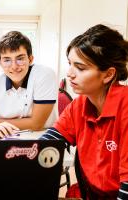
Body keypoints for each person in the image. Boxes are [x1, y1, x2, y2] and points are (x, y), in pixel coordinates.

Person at [40, 24, 128, 199]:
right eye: (70, 64)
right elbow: (49, 142)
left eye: (80, 68)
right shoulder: (79, 105)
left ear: (108, 75)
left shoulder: (125, 107)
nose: (70, 73)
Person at [0, 31, 57, 138]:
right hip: (9, 139)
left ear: (30, 59)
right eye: (7, 60)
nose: (14, 66)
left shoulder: (44, 75)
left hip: (43, 138)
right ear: (0, 62)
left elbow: (36, 124)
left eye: (20, 58)